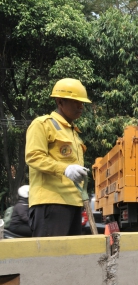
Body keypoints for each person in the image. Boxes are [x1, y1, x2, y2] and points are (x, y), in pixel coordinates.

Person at [25, 78, 91, 237]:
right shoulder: (42, 124)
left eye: (82, 103)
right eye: (76, 102)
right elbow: (33, 157)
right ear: (60, 102)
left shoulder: (74, 133)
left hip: (74, 203)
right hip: (51, 203)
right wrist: (65, 168)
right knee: (50, 258)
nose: (81, 106)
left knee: (68, 259)